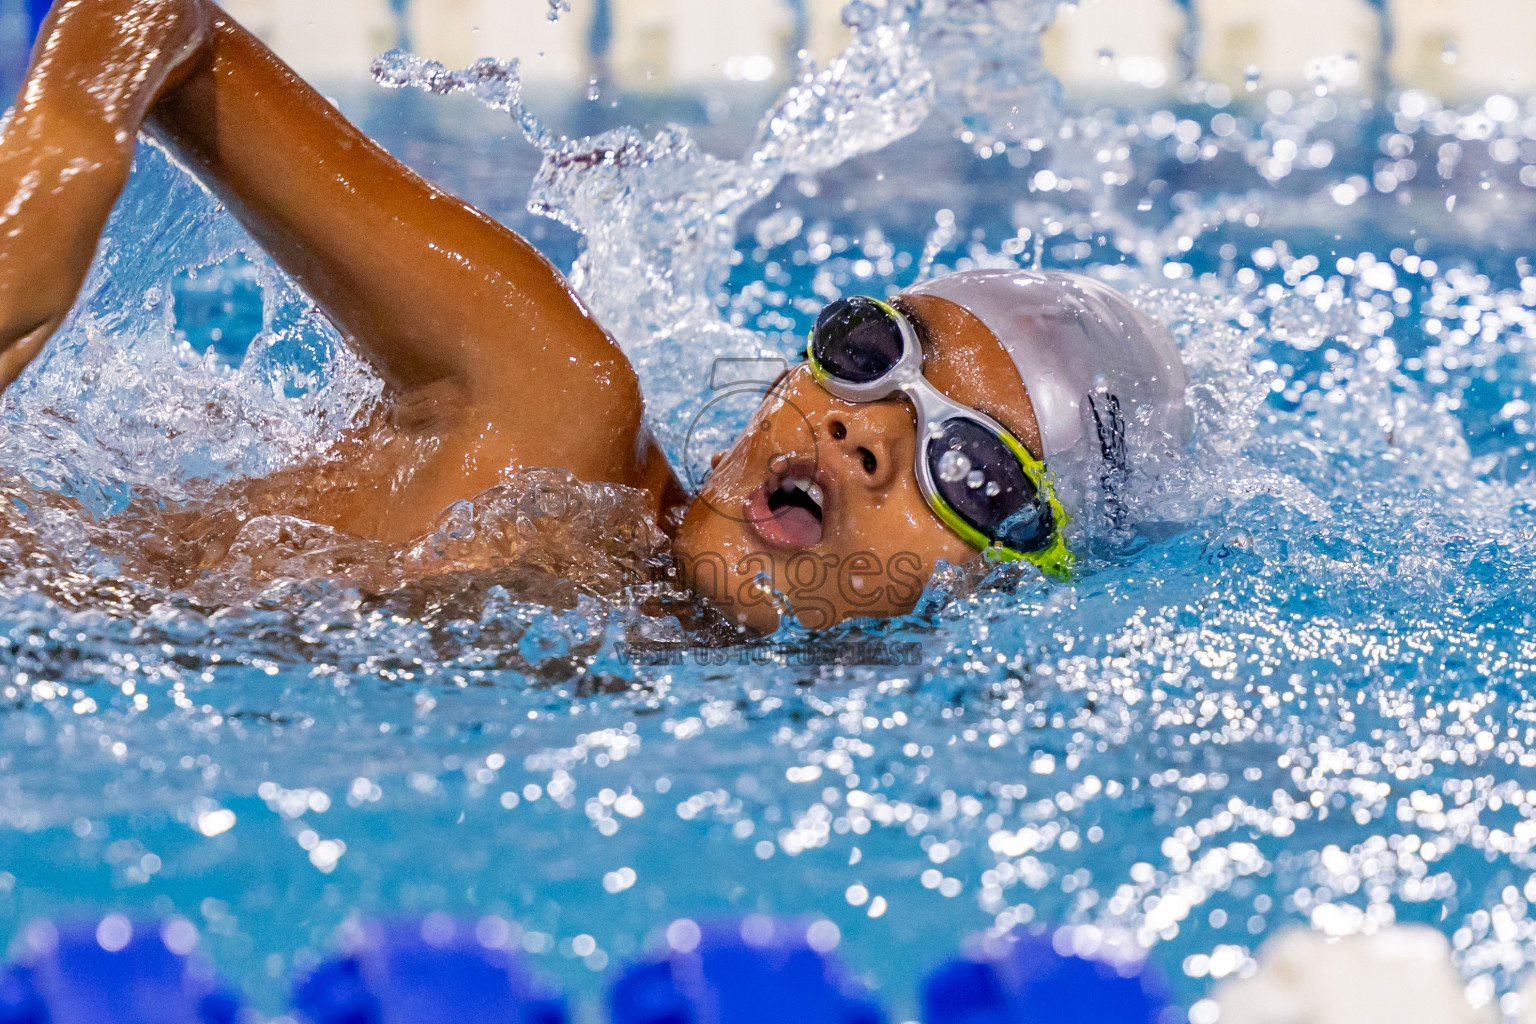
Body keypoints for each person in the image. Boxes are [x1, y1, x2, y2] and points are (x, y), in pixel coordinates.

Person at [0, 0, 1188, 634]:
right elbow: (147, 13)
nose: (863, 433)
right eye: (872, 353)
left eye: (972, 470)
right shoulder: (545, 413)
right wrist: (62, 162)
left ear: (1017, 589)